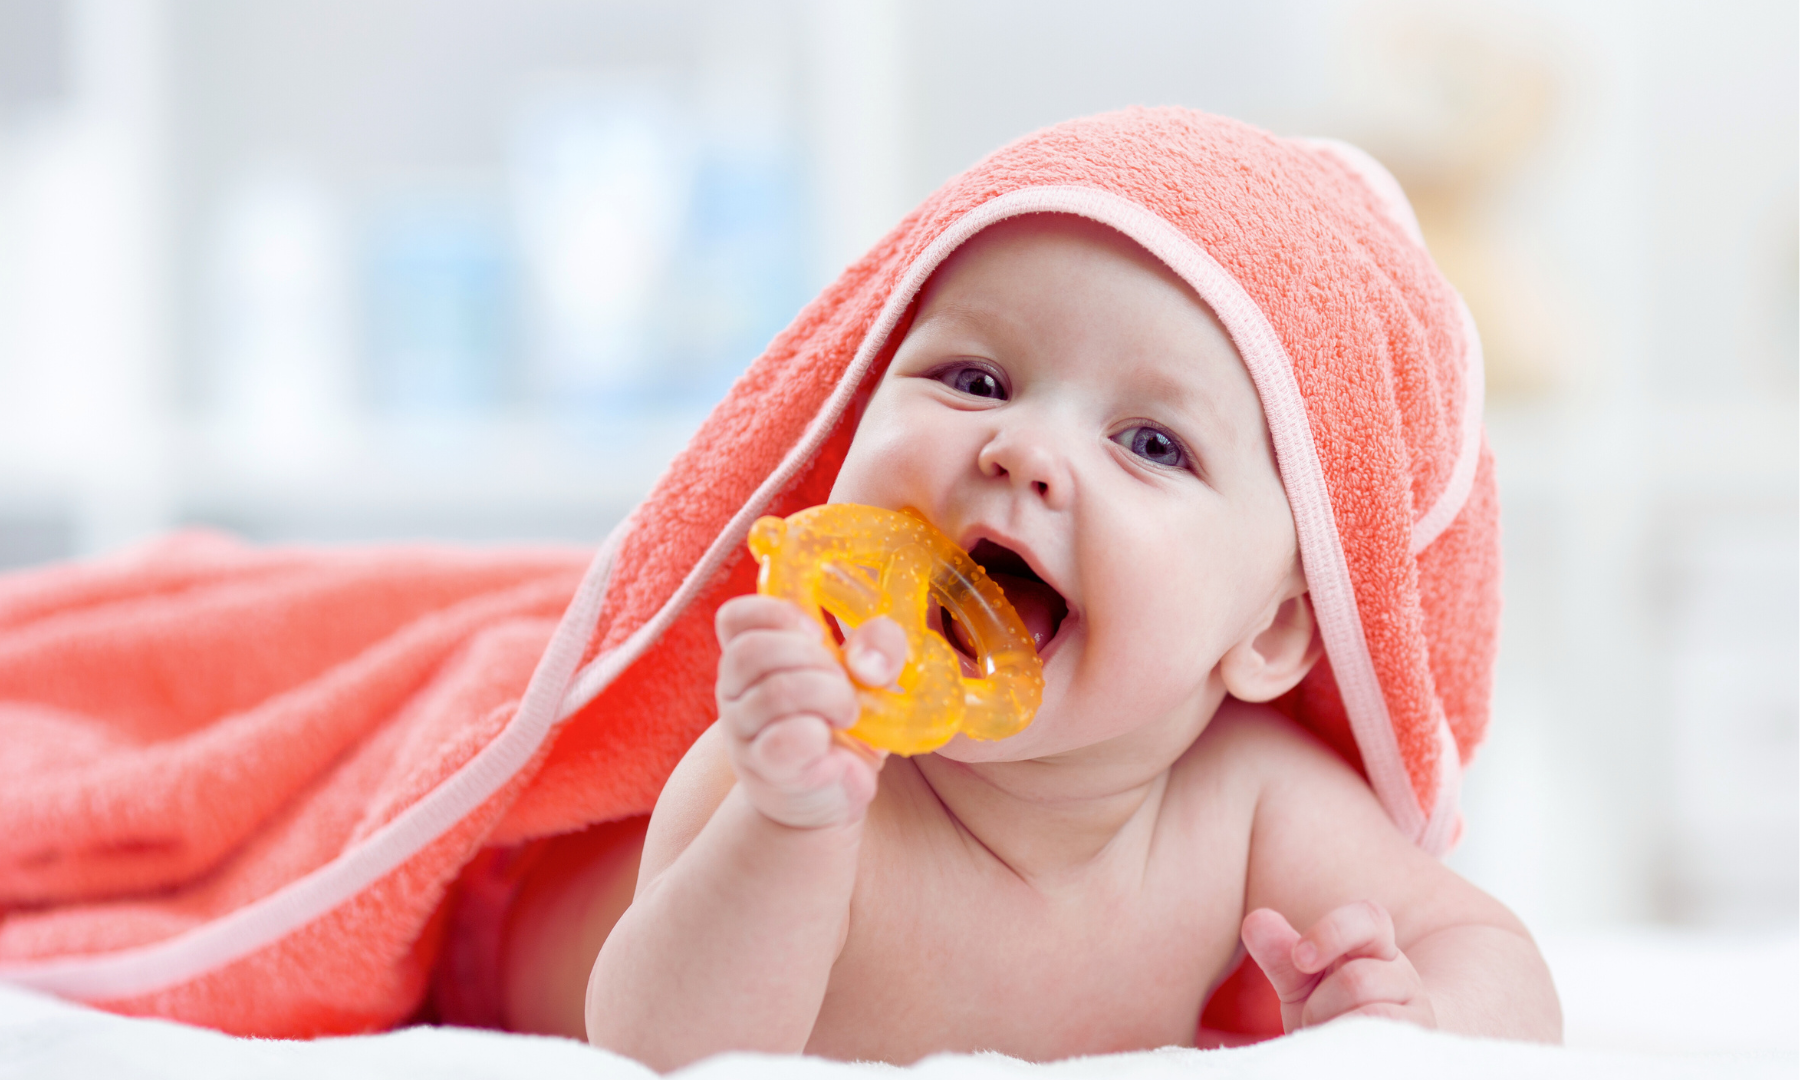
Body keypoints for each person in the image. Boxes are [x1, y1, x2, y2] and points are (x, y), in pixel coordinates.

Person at [503, 111, 1560, 1067]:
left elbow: (1490, 954)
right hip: (517, 916)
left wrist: (1412, 1021)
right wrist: (786, 831)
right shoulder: (798, 749)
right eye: (975, 380)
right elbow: (655, 1049)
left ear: (1273, 632)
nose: (1026, 449)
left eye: (1152, 443)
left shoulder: (1244, 803)